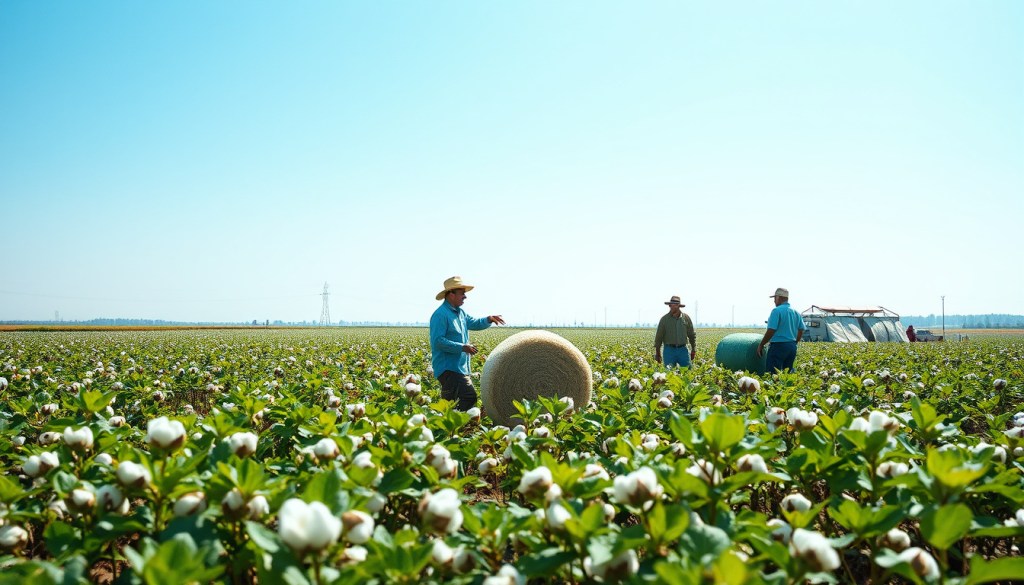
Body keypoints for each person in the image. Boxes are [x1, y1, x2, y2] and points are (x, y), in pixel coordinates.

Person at [429, 276, 505, 411]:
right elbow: (438, 341)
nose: (465, 296)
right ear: (451, 294)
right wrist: (462, 347)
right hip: (448, 368)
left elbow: (474, 323)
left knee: (450, 403)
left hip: (459, 367)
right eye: (462, 293)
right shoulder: (440, 315)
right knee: (468, 396)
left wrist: (488, 319)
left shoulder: (461, 313)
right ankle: (463, 421)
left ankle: (453, 422)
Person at [756, 288, 807, 373]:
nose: (774, 301)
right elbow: (801, 330)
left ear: (778, 297)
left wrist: (761, 345)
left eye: (774, 298)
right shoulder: (796, 312)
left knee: (772, 374)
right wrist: (794, 342)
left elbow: (771, 330)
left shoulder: (776, 311)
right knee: (787, 374)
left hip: (778, 346)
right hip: (792, 347)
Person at [654, 295, 697, 368]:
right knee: (669, 372)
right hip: (669, 350)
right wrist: (658, 353)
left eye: (674, 305)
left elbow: (691, 335)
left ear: (678, 306)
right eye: (670, 305)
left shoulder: (686, 318)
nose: (671, 307)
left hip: (683, 350)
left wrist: (693, 349)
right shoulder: (664, 319)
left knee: (688, 371)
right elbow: (659, 337)